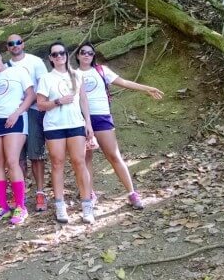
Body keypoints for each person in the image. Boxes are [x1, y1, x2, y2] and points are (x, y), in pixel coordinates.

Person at [74, 42, 164, 210]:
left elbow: (124, 82)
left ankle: (132, 193)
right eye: (83, 52)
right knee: (85, 158)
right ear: (78, 55)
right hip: (79, 119)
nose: (87, 55)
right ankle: (89, 193)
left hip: (102, 117)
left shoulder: (101, 70)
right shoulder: (73, 74)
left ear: (93, 56)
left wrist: (146, 89)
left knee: (114, 155)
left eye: (90, 53)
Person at [36, 43, 95, 224]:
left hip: (76, 123)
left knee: (79, 162)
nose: (59, 56)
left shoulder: (77, 75)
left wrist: (88, 123)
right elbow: (40, 104)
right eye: (55, 54)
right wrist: (58, 101)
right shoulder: (46, 78)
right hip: (54, 125)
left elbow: (83, 99)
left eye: (62, 53)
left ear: (67, 55)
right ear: (51, 58)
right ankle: (60, 205)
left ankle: (87, 206)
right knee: (57, 163)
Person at [0, 50, 35, 225]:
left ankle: (20, 206)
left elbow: (30, 95)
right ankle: (2, 205)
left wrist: (17, 113)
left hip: (14, 120)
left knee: (12, 161)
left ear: (0, 57)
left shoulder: (18, 71)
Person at [5, 34, 49, 212]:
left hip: (32, 112)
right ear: (7, 47)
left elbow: (44, 86)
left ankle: (40, 193)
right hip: (13, 115)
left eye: (18, 42)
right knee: (17, 158)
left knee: (36, 155)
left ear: (23, 44)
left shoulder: (35, 62)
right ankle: (19, 195)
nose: (15, 45)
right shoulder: (5, 66)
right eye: (11, 44)